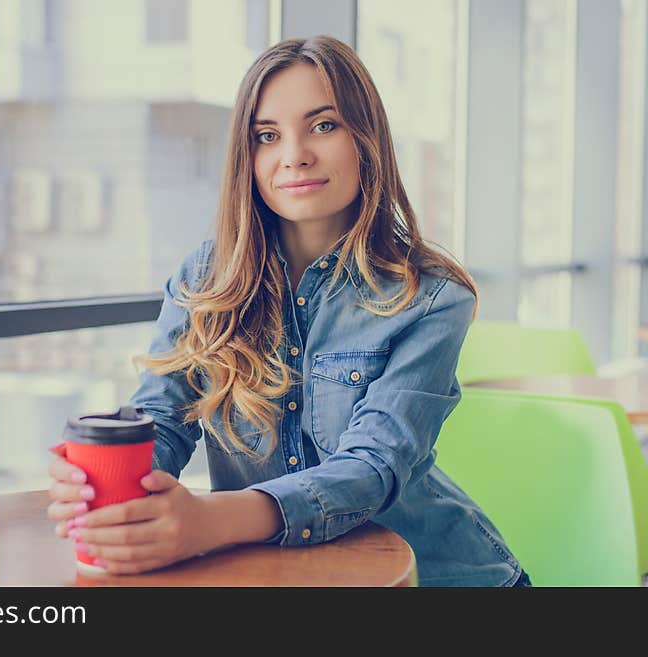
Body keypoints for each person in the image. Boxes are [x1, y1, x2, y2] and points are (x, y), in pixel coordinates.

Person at [47, 35, 530, 586]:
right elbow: (162, 419)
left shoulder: (432, 296)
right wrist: (116, 494)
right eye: (267, 136)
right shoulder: (206, 278)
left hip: (433, 578)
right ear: (246, 157)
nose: (294, 154)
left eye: (324, 126)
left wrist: (206, 520)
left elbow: (370, 470)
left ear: (365, 140)